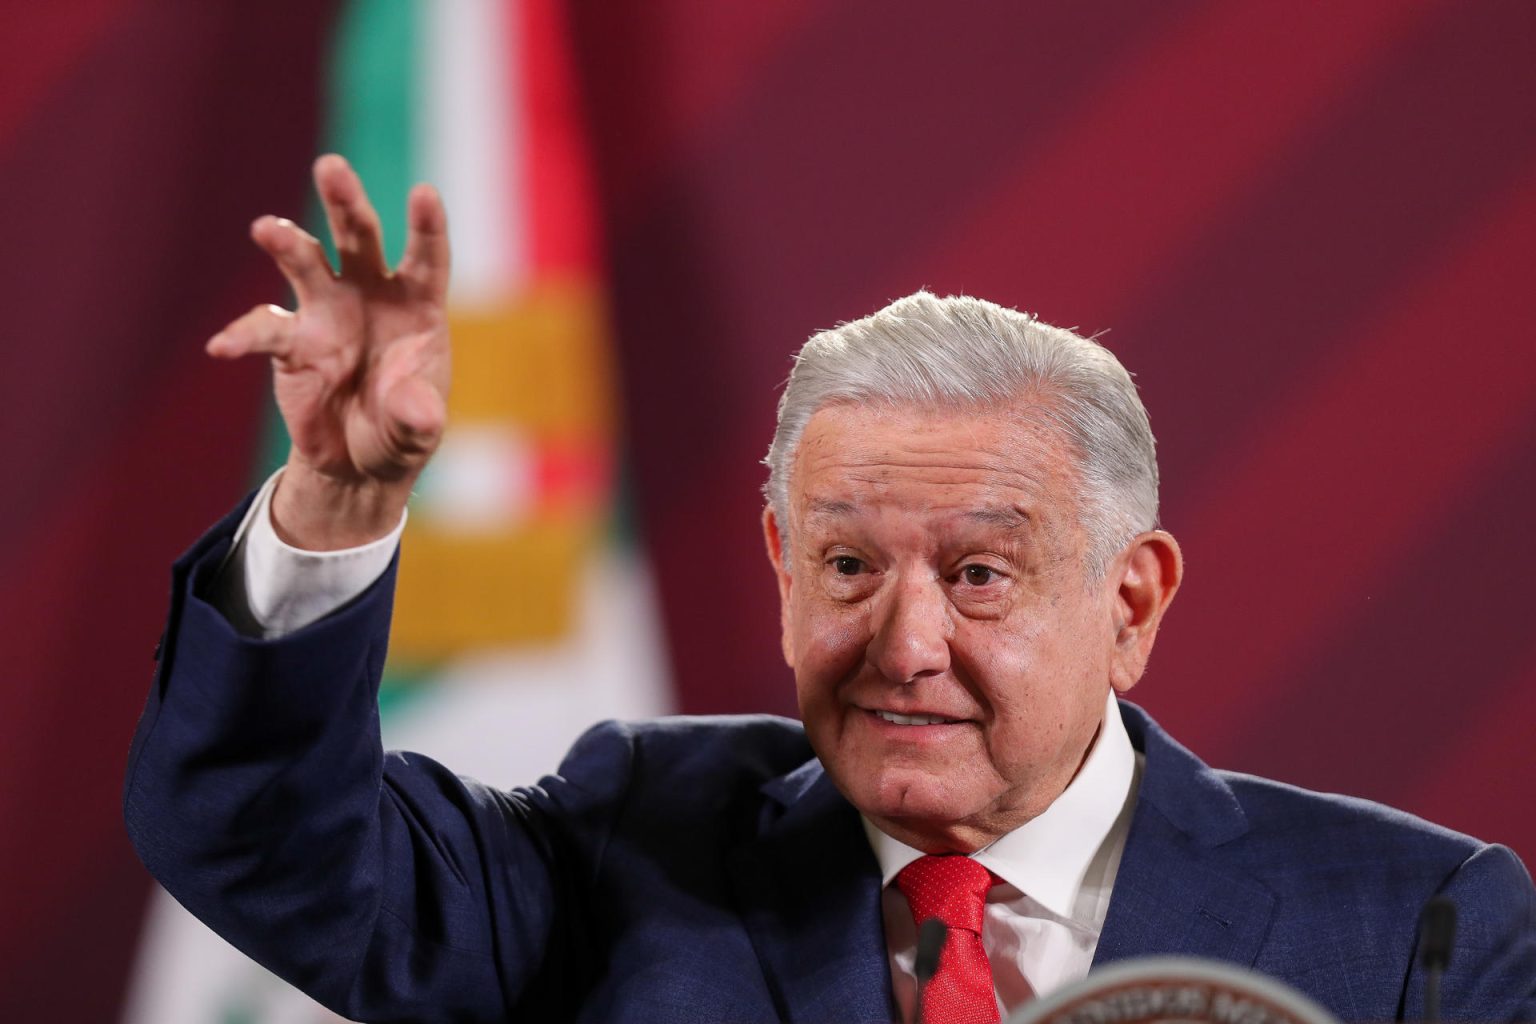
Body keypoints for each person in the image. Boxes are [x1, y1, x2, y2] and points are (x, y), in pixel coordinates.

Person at [124, 156, 1536, 1023]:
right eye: (851, 566)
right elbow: (260, 842)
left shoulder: (1417, 924)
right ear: (782, 566)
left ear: (1133, 602)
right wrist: (342, 504)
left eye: (982, 574)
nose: (903, 644)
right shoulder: (630, 849)